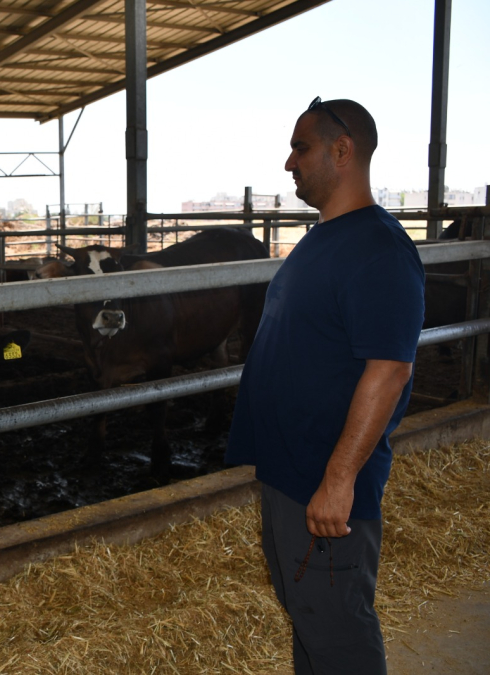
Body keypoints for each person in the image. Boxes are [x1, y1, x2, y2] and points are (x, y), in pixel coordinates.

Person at [226, 98, 425, 674]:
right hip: (292, 476)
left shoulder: (378, 249)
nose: (289, 162)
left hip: (324, 486)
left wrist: (339, 481)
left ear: (342, 150)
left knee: (338, 634)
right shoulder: (324, 239)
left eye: (301, 147)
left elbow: (389, 370)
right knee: (311, 620)